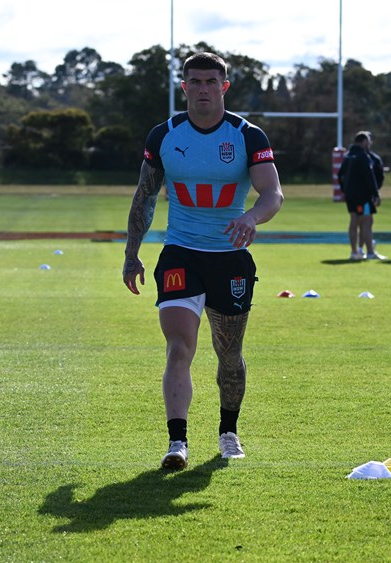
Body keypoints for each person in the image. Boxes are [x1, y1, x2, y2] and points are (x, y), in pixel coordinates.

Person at [122, 52, 284, 470]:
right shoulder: (165, 135)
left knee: (229, 355)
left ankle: (228, 432)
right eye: (195, 82)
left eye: (211, 82)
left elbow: (272, 194)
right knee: (180, 346)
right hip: (180, 253)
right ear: (184, 87)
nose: (203, 89)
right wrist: (131, 254)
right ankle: (177, 442)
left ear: (224, 87)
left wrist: (250, 217)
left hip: (230, 258)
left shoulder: (248, 136)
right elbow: (144, 198)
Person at [337, 131, 385, 261]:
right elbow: (369, 176)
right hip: (363, 196)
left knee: (354, 221)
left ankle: (355, 252)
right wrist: (375, 193)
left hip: (351, 195)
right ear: (364, 141)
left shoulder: (348, 156)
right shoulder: (363, 156)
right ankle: (370, 252)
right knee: (367, 222)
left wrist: (344, 190)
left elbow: (340, 175)